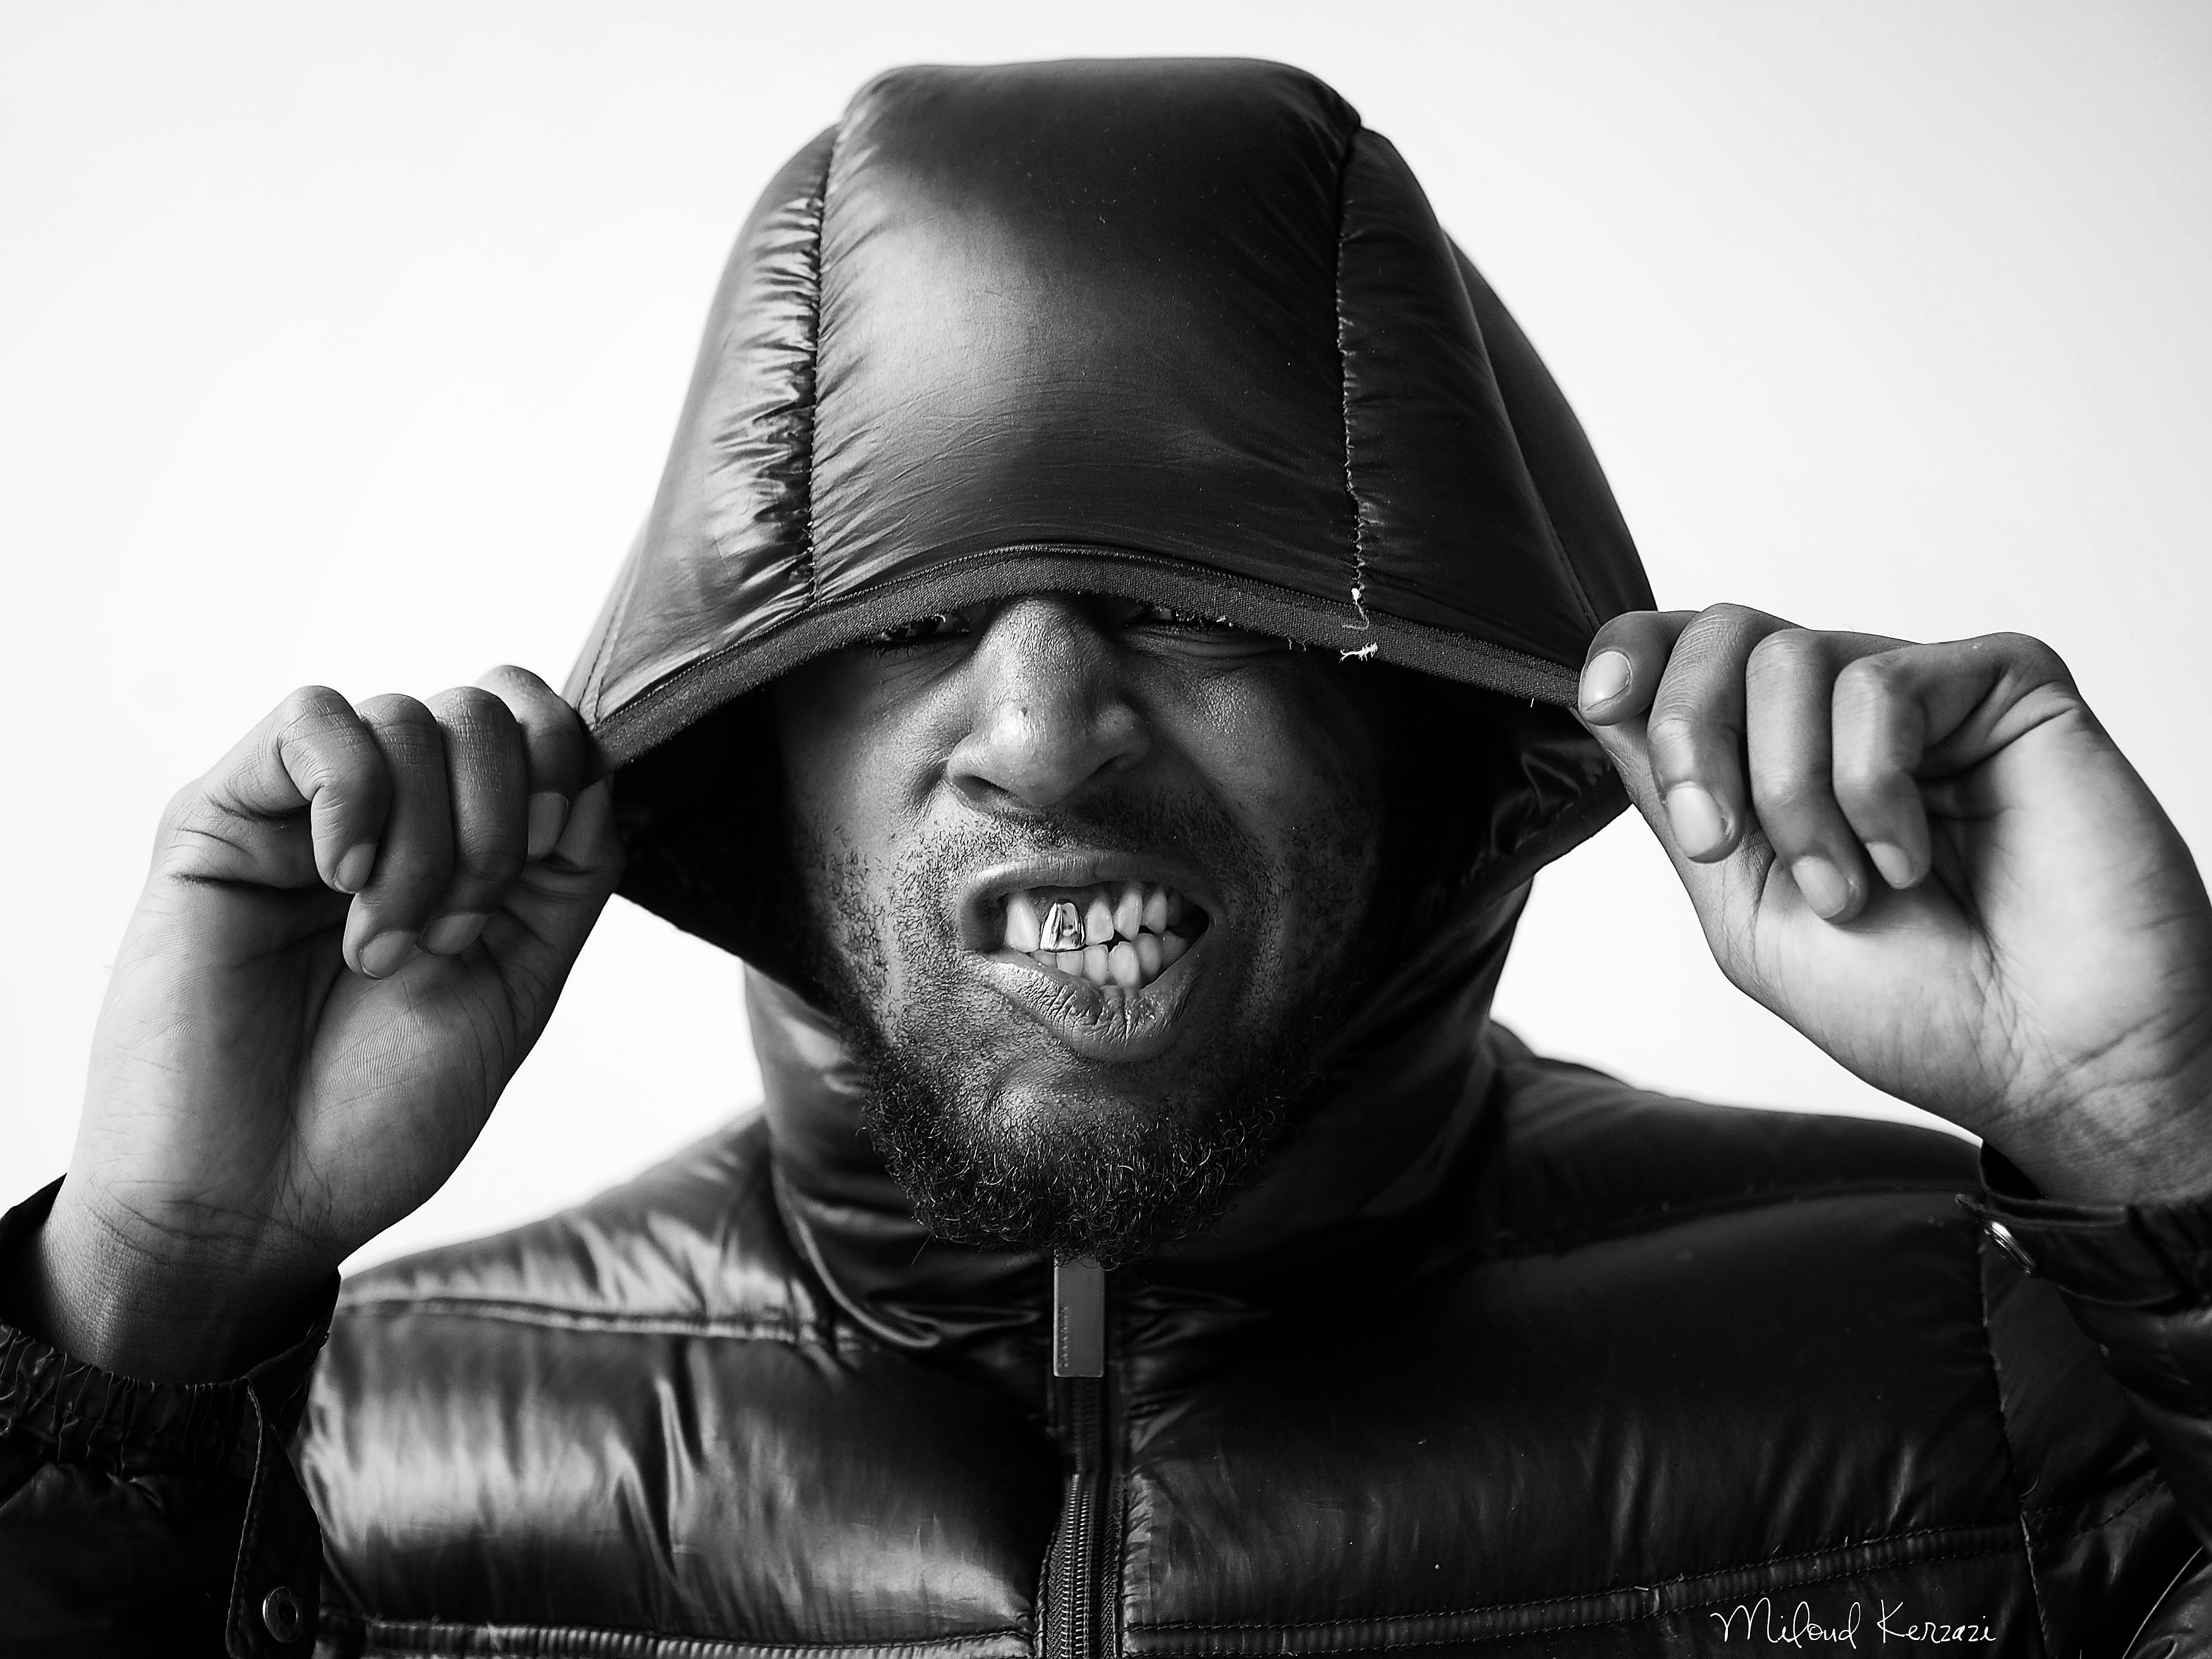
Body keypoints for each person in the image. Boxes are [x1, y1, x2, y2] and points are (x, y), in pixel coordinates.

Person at [4, 57, 2210, 1658]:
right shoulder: (343, 1456)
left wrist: (2164, 1147)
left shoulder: (1973, 1361)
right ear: (748, 743)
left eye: (1186, 600)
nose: (1045, 731)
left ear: (1422, 714)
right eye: (911, 623)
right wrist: (145, 1315)